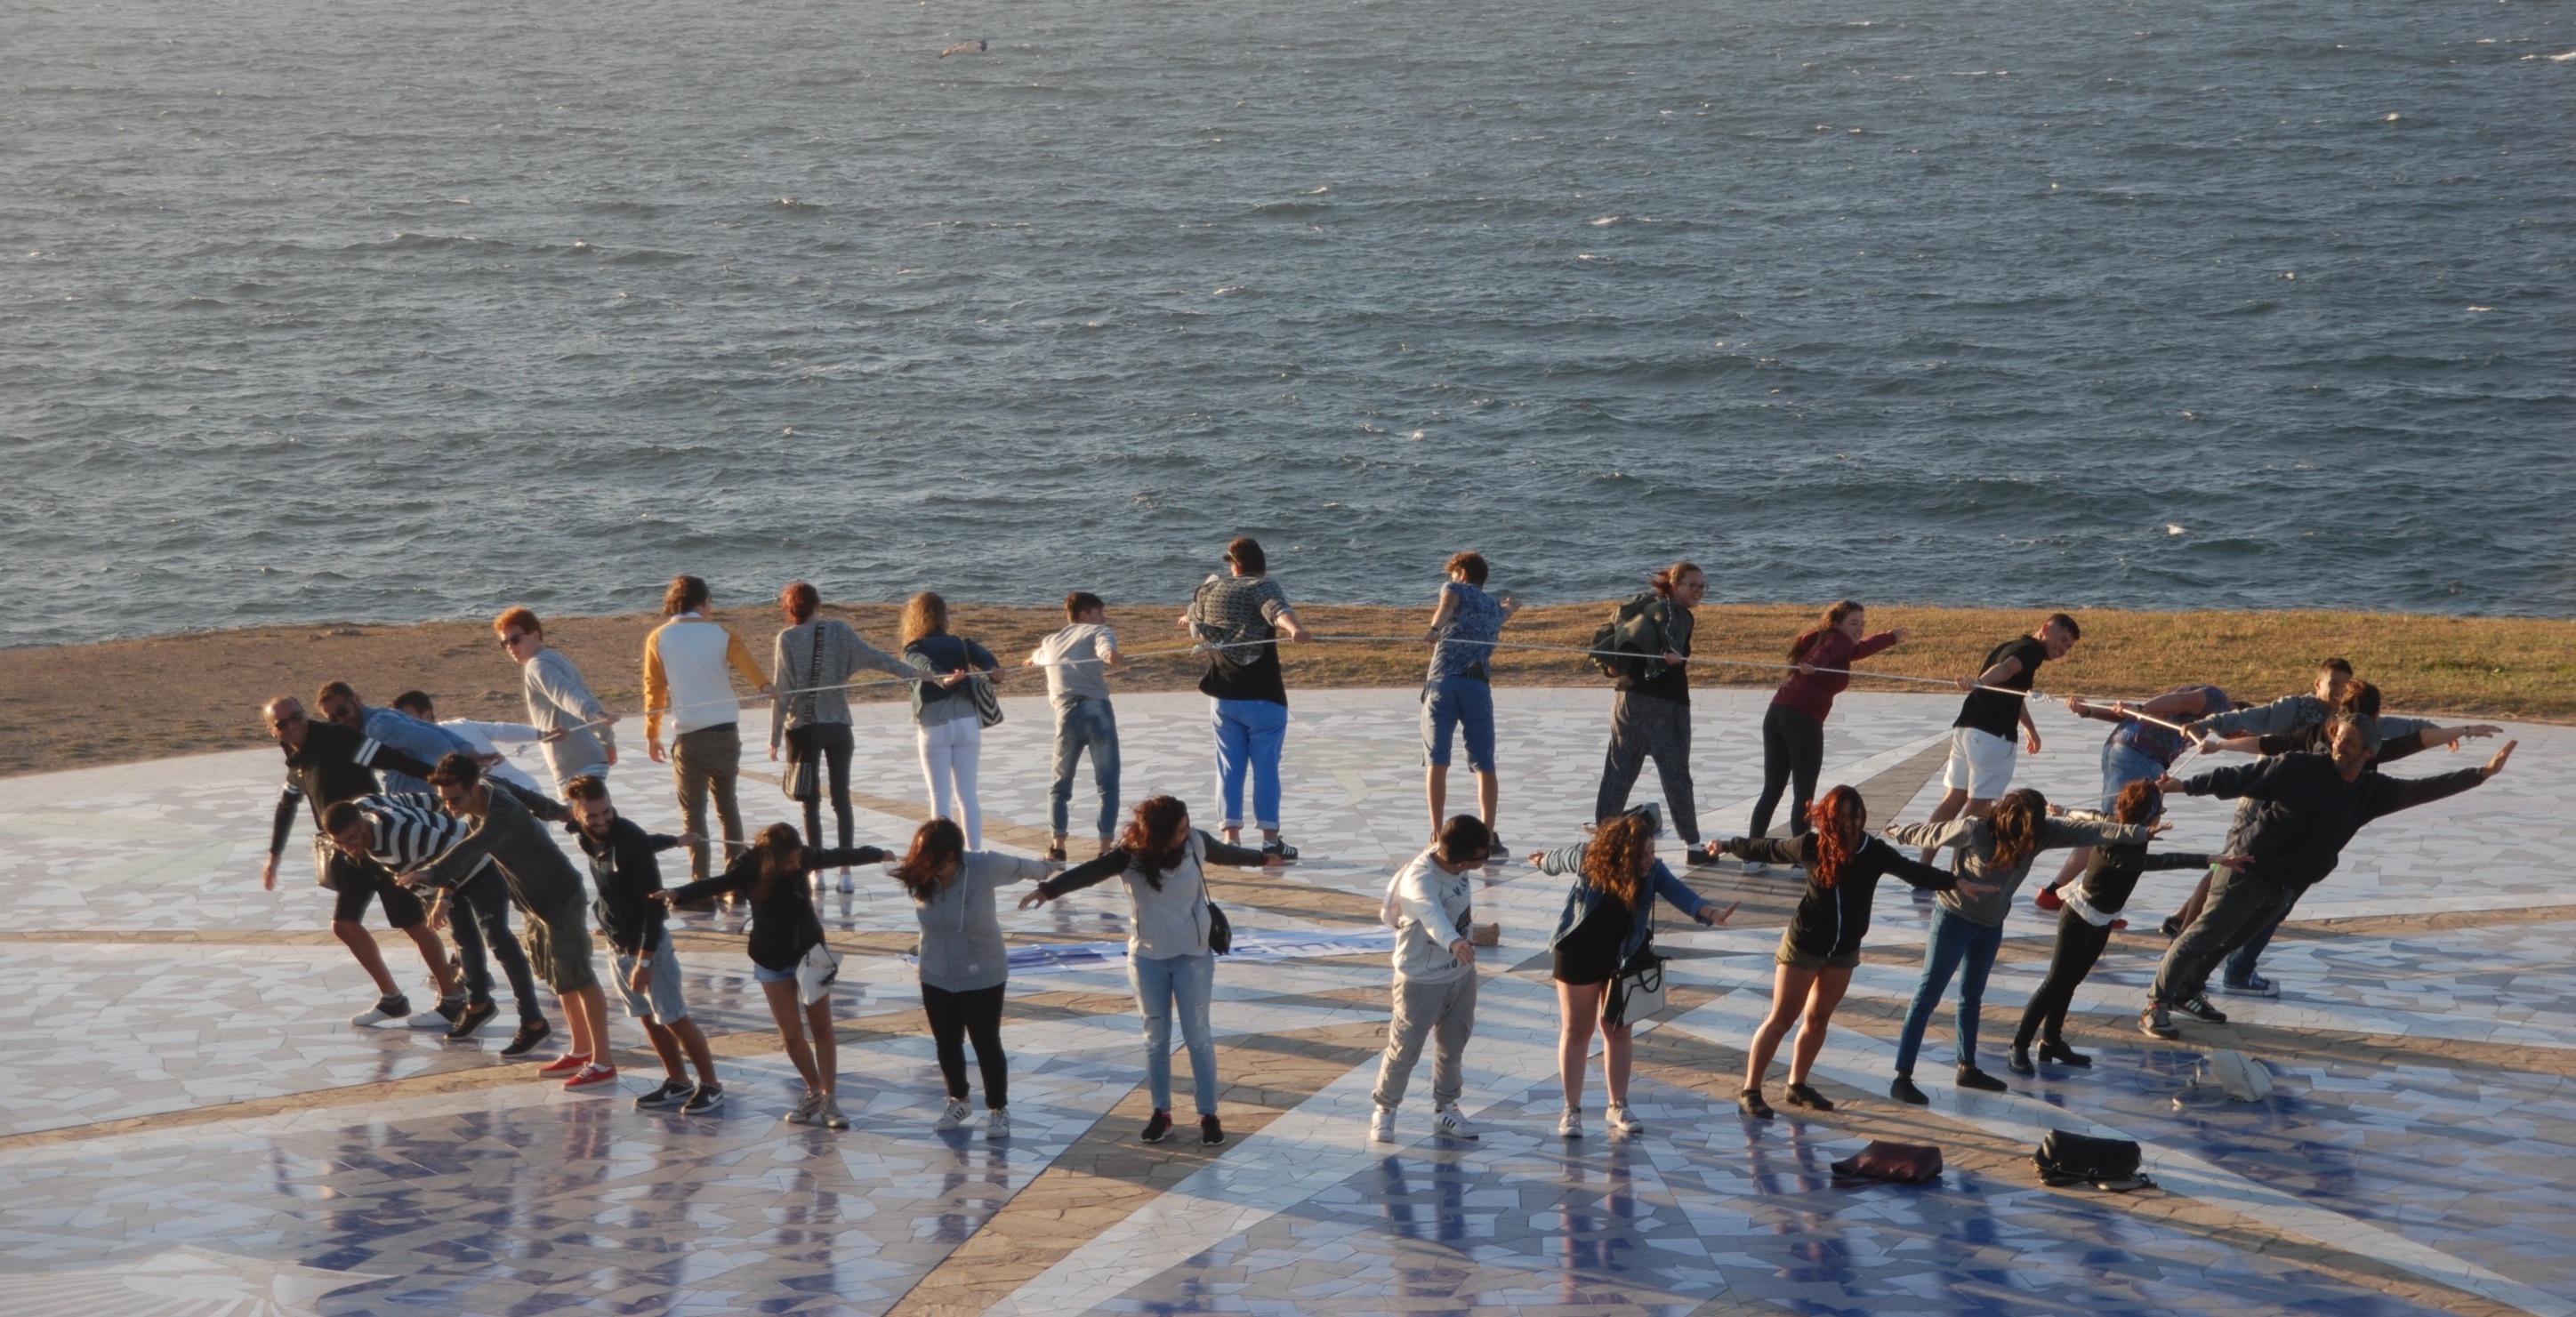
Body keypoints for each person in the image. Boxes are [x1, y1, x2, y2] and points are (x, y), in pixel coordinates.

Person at [2139, 721, 2516, 1039]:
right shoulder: (2299, 767)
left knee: (2231, 941)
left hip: (2285, 883)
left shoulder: (2371, 791)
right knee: (2202, 936)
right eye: (2338, 738)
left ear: (2369, 752)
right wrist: (2183, 786)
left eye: (2349, 743)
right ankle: (2156, 1005)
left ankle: (2186, 992)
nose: (2339, 746)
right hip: (2249, 869)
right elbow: (2239, 779)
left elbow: (2421, 789)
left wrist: (2481, 774)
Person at [1020, 795, 1286, 1146]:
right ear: (1159, 834)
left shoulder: (1195, 842)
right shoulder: (1129, 855)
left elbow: (1224, 853)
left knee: (1198, 1037)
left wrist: (1261, 858)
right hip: (1147, 958)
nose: (1187, 832)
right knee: (1156, 1039)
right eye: (1180, 829)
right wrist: (1049, 890)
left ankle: (1208, 1114)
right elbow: (1090, 873)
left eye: (1187, 825)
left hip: (1193, 955)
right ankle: (1162, 1113)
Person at [1718, 786, 1979, 1119]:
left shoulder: (1873, 851)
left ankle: (1797, 1085)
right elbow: (1769, 849)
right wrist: (1728, 845)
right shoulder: (1810, 845)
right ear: (1829, 819)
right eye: (1843, 818)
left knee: (1818, 1019)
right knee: (1782, 1019)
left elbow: (1912, 871)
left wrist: (1955, 882)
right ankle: (1751, 1090)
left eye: (1856, 817)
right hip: (1804, 946)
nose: (1851, 824)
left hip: (1844, 951)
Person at [1880, 788, 2149, 1103]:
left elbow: (2089, 830)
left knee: (1971, 997)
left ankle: (1967, 1067)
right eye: (2023, 831)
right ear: (2008, 819)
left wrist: (2139, 832)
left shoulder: (2040, 833)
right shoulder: (1976, 829)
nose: (2026, 841)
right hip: (1954, 918)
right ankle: (1903, 1076)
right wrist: (1898, 832)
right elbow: (1932, 834)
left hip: (1990, 926)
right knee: (1927, 996)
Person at [403, 754, 617, 1091]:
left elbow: (474, 846)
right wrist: (560, 812)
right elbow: (532, 799)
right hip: (534, 905)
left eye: (456, 799)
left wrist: (433, 872)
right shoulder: (491, 787)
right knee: (561, 980)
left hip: (560, 898)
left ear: (474, 788)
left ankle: (603, 1062)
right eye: (445, 800)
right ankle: (581, 1050)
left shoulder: (500, 814)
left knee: (581, 978)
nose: (450, 807)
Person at [659, 823, 890, 1130]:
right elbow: (717, 883)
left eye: (798, 859)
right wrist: (678, 893)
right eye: (790, 861)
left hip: (811, 955)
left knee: (822, 1029)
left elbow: (837, 855)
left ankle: (830, 1099)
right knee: (791, 1036)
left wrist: (877, 854)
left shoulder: (804, 857)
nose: (796, 865)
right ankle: (814, 1090)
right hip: (771, 959)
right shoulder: (749, 866)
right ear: (771, 858)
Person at [2009, 781, 2242, 1074]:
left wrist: (2065, 810)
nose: (2161, 816)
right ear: (2149, 816)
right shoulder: (2116, 843)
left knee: (2071, 982)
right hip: (2079, 917)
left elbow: (2091, 815)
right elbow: (2160, 861)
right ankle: (2019, 1046)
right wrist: (2209, 859)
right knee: (2055, 983)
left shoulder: (2118, 823)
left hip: (2103, 918)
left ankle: (2051, 1041)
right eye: (2160, 811)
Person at [1530, 807, 1734, 1139]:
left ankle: (1618, 1105)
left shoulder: (1653, 871)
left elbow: (1680, 894)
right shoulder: (1590, 857)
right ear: (1624, 853)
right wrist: (1541, 861)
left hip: (1621, 958)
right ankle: (1572, 1110)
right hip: (1578, 951)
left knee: (1618, 1029)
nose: (1651, 860)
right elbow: (1557, 859)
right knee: (1578, 1030)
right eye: (1645, 854)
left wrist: (1712, 913)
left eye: (1653, 851)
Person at [256, 695, 455, 1028]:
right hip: (348, 853)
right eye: (282, 724)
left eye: (297, 717)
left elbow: (393, 760)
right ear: (273, 730)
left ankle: (452, 998)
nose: (293, 726)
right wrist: (273, 857)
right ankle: (392, 998)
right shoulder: (296, 761)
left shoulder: (336, 739)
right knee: (344, 924)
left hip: (377, 844)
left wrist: (449, 785)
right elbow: (286, 804)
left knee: (412, 923)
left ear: (305, 714)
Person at [320, 791, 553, 1055]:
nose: (349, 848)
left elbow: (458, 854)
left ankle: (533, 1023)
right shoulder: (365, 805)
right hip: (446, 873)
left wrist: (443, 898)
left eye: (352, 838)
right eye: (339, 843)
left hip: (482, 865)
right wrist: (442, 806)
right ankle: (478, 1006)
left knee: (499, 940)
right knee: (464, 940)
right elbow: (419, 800)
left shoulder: (402, 836)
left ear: (363, 824)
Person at [885, 818, 1057, 1138]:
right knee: (947, 1042)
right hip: (936, 971)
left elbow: (1024, 868)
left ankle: (998, 1109)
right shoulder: (924, 875)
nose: (927, 866)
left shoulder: (983, 866)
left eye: (934, 860)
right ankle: (958, 1100)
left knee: (985, 1042)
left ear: (952, 855)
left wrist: (1051, 868)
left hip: (983, 970)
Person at [564, 775, 725, 1114]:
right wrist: (677, 841)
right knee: (647, 1017)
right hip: (617, 944)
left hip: (647, 949)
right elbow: (648, 843)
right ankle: (678, 1082)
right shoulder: (581, 832)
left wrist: (645, 961)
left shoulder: (629, 839)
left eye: (607, 812)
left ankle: (711, 1085)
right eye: (593, 815)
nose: (602, 820)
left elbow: (655, 904)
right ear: (577, 814)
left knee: (675, 1017)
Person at [769, 581, 913, 888]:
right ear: (817, 604)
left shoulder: (787, 638)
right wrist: (913, 673)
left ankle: (816, 872)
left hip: (804, 728)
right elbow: (876, 658)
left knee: (810, 802)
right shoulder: (840, 630)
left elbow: (783, 691)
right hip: (838, 725)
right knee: (841, 798)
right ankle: (846, 873)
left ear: (789, 610)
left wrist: (774, 736)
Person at [1743, 601, 1907, 863]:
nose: (1859, 628)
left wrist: (1890, 637)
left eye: (1862, 623)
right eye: (1854, 623)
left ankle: (1751, 858)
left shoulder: (1822, 638)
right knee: (1804, 795)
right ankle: (1802, 862)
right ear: (1838, 623)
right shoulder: (1838, 641)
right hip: (1802, 719)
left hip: (1777, 713)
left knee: (1772, 790)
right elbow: (1826, 654)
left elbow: (1860, 648)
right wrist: (1813, 664)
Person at [1182, 536, 1314, 860]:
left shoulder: (1210, 590)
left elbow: (1195, 624)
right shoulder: (1262, 585)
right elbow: (1277, 611)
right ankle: (1271, 841)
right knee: (1266, 768)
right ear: (1261, 565)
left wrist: (1188, 618)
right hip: (1264, 696)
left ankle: (1231, 839)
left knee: (1228, 767)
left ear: (1234, 565)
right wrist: (1295, 629)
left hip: (1223, 696)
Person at [1912, 614, 2080, 867]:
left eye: (2069, 646)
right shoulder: (2031, 652)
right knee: (1977, 807)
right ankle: (1958, 873)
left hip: (1967, 728)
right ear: (2045, 629)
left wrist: (2030, 729)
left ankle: (1923, 866)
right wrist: (1980, 682)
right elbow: (2007, 669)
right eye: (2062, 639)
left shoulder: (2010, 645)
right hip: (1991, 736)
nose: (2063, 649)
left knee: (1954, 798)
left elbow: (2012, 692)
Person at [2035, 684, 2230, 901]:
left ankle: (2055, 892)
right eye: (2242, 730)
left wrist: (2090, 710)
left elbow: (2133, 714)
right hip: (2137, 757)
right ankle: (2094, 900)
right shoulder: (2217, 700)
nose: (2238, 736)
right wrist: (2140, 708)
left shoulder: (2206, 720)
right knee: (2125, 833)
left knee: (2109, 827)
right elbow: (2176, 703)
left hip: (2125, 752)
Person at [1369, 815, 1494, 1143]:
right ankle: (1385, 1109)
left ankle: (1446, 1107)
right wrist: (1454, 943)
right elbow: (1431, 914)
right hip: (1420, 981)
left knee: (1453, 1046)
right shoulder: (1421, 879)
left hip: (1460, 975)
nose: (1488, 858)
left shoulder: (1453, 860)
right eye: (1484, 855)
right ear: (1464, 862)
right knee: (1405, 1049)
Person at [643, 575, 771, 887]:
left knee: (694, 814)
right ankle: (736, 881)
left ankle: (700, 885)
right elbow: (747, 664)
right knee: (728, 807)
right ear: (700, 603)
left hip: (691, 738)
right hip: (727, 734)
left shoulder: (659, 637)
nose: (711, 608)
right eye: (710, 602)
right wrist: (765, 686)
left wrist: (652, 734)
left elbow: (654, 690)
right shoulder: (722, 633)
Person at [1594, 562, 1719, 866]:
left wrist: (1612, 668)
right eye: (1692, 585)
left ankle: (1602, 843)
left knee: (1618, 771)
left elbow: (1615, 643)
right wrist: (1669, 657)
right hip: (1667, 704)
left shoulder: (1641, 606)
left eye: (1702, 585)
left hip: (1627, 700)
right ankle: (1693, 846)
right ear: (1675, 586)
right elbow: (1670, 637)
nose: (1699, 591)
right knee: (1676, 775)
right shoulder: (1678, 614)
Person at [1421, 552, 1519, 855]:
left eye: (1453, 575)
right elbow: (1506, 612)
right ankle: (1487, 837)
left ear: (1462, 574)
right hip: (1477, 687)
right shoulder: (1493, 607)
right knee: (1484, 763)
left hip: (1444, 684)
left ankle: (1437, 835)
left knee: (1437, 760)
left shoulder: (1455, 589)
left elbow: (1446, 606)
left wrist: (1435, 629)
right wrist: (1511, 606)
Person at [1026, 590, 1124, 862]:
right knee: (1108, 784)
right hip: (1096, 710)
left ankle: (1057, 846)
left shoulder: (1050, 641)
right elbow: (1105, 647)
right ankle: (1105, 849)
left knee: (1060, 784)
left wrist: (1030, 660)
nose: (1104, 618)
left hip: (1065, 714)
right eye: (1099, 613)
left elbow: (1038, 656)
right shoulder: (1098, 631)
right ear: (1084, 615)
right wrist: (1110, 655)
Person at [901, 592, 1002, 849]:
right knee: (968, 795)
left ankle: (944, 855)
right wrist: (994, 669)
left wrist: (941, 678)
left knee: (939, 795)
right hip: (967, 723)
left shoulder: (913, 647)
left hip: (935, 725)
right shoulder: (960, 643)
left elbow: (921, 663)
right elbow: (985, 657)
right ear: (943, 616)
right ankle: (975, 853)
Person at [495, 606, 619, 789]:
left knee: (580, 808)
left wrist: (596, 716)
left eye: (515, 639)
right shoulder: (557, 659)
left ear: (535, 635)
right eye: (504, 643)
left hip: (574, 764)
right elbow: (587, 696)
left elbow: (565, 694)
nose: (510, 647)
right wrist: (607, 741)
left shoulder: (537, 666)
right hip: (592, 758)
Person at [316, 680, 483, 797]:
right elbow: (432, 728)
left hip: (416, 803)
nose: (341, 721)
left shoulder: (378, 726)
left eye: (342, 712)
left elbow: (429, 737)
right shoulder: (383, 714)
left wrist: (459, 770)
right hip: (427, 797)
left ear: (356, 699)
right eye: (333, 720)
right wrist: (469, 751)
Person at [390, 689, 546, 793]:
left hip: (511, 798)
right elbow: (501, 730)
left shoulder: (427, 744)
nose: (403, 724)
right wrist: (542, 734)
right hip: (529, 788)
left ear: (427, 715)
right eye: (397, 719)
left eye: (407, 717)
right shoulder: (461, 724)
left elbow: (500, 730)